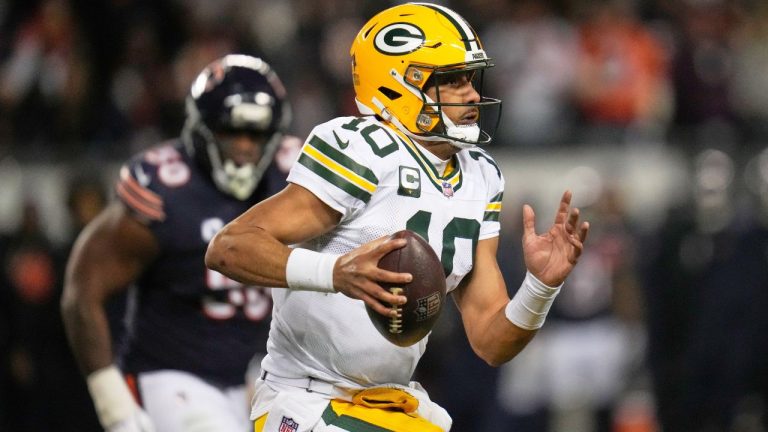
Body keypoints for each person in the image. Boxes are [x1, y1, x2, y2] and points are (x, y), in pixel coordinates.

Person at [205, 4, 589, 432]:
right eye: (451, 80)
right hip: (310, 399)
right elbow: (229, 247)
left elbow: (491, 341)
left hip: (392, 403)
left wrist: (540, 286)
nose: (473, 94)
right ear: (397, 84)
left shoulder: (482, 175)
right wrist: (336, 272)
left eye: (470, 78)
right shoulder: (360, 148)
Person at [61, 54, 297, 432]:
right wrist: (111, 399)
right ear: (200, 128)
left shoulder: (293, 177)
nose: (244, 147)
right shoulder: (167, 189)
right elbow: (82, 289)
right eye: (229, 131)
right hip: (173, 376)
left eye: (255, 134)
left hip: (261, 375)